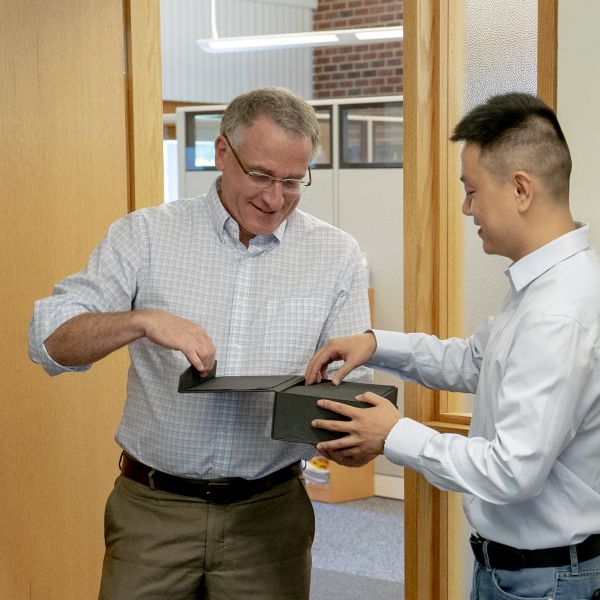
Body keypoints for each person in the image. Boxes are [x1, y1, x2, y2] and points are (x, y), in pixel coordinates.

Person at [28, 87, 372, 600]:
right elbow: (49, 340)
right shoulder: (143, 236)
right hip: (152, 512)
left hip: (270, 515)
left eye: (292, 182)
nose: (274, 198)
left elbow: (352, 387)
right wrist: (139, 321)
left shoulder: (337, 255)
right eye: (259, 175)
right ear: (220, 153)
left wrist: (353, 438)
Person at [306, 92, 600, 599]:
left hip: (547, 582)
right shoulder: (544, 288)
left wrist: (395, 434)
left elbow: (511, 472)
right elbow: (472, 362)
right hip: (525, 573)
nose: (467, 209)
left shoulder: (557, 314)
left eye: (471, 191)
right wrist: (375, 344)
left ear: (521, 189)